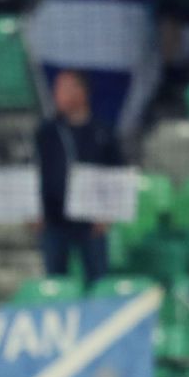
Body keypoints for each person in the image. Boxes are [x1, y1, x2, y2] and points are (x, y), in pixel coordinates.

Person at [35, 70, 123, 289]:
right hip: (54, 220)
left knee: (98, 280)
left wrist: (108, 215)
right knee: (56, 282)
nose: (58, 94)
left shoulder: (103, 132)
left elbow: (118, 175)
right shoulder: (46, 133)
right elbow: (35, 173)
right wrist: (35, 211)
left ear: (82, 92)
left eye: (65, 88)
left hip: (91, 221)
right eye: (57, 89)